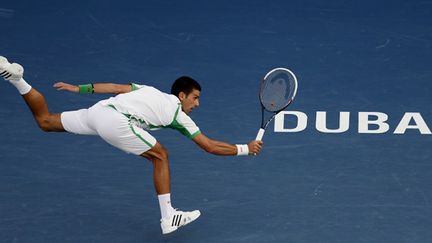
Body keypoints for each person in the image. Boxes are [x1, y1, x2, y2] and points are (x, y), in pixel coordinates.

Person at [0, 56, 263, 234]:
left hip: (97, 112)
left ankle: (17, 79)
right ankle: (168, 216)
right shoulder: (177, 115)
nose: (197, 104)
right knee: (160, 155)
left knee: (46, 121)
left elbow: (113, 86)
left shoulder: (146, 89)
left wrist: (77, 88)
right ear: (181, 95)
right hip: (115, 121)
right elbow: (209, 146)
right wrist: (245, 149)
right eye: (195, 98)